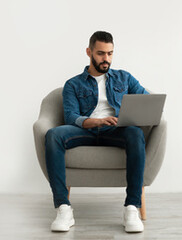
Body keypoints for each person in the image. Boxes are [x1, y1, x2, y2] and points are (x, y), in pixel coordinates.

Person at [45, 31, 149, 233]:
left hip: (116, 131)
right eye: (101, 53)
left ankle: (131, 208)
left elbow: (145, 100)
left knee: (135, 133)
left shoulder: (124, 78)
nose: (106, 59)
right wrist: (96, 121)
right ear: (89, 52)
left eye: (110, 53)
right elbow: (71, 117)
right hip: (85, 131)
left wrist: (133, 117)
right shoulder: (73, 84)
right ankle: (63, 208)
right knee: (53, 135)